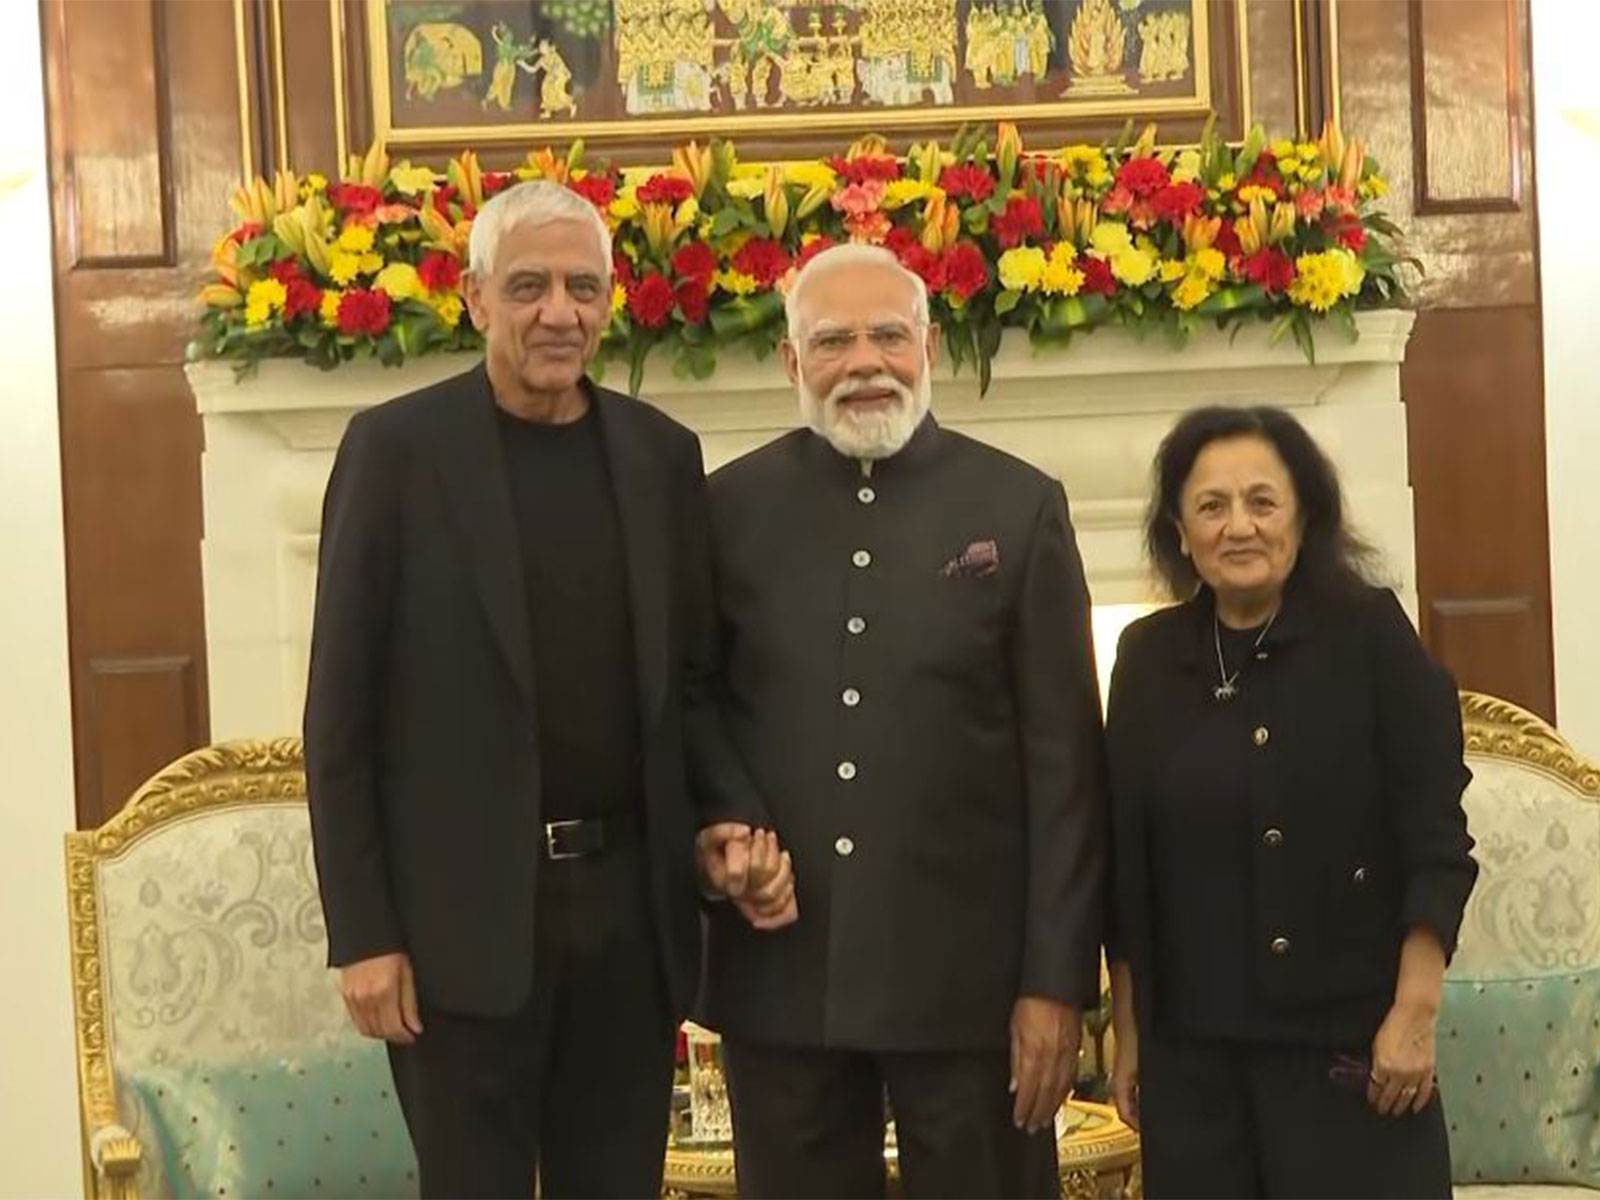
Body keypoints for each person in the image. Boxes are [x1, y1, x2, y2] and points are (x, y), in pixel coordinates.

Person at [303, 179, 793, 1198]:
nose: (557, 312)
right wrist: (365, 934)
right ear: (476, 298)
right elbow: (339, 719)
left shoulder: (661, 457)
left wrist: (732, 815)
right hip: (456, 931)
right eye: (527, 286)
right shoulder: (396, 454)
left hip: (627, 918)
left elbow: (692, 685)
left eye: (582, 287)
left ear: (611, 304)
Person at [699, 243, 1108, 1199]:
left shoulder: (1019, 505)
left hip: (972, 985)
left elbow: (1068, 772)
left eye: (889, 334)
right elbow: (690, 704)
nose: (865, 361)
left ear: (929, 345)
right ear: (792, 364)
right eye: (833, 340)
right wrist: (720, 825)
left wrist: (1055, 985)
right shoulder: (725, 509)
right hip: (782, 974)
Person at [1103, 405, 1477, 1197]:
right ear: (1179, 528)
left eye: (1262, 501)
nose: (1238, 525)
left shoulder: (1371, 637)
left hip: (1351, 1055)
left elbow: (1435, 839)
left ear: (1305, 515)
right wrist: (1129, 1035)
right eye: (1212, 505)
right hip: (1193, 1065)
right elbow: (1127, 870)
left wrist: (1414, 1016)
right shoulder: (1145, 659)